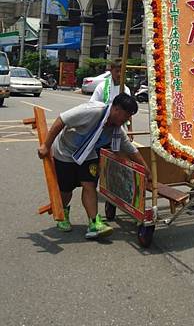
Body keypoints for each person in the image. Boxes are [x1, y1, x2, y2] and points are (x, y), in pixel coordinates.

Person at [37, 93, 150, 240]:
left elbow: (130, 149)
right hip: (65, 151)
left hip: (88, 154)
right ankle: (63, 211)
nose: (127, 119)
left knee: (89, 184)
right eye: (126, 115)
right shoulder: (92, 111)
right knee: (65, 189)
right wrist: (46, 145)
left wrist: (145, 169)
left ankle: (94, 222)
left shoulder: (116, 129)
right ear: (116, 109)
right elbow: (61, 120)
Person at [90, 59, 133, 140]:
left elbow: (128, 112)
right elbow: (92, 106)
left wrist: (130, 130)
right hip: (101, 128)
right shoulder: (102, 87)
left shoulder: (126, 89)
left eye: (122, 71)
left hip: (119, 129)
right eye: (117, 71)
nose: (119, 74)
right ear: (111, 71)